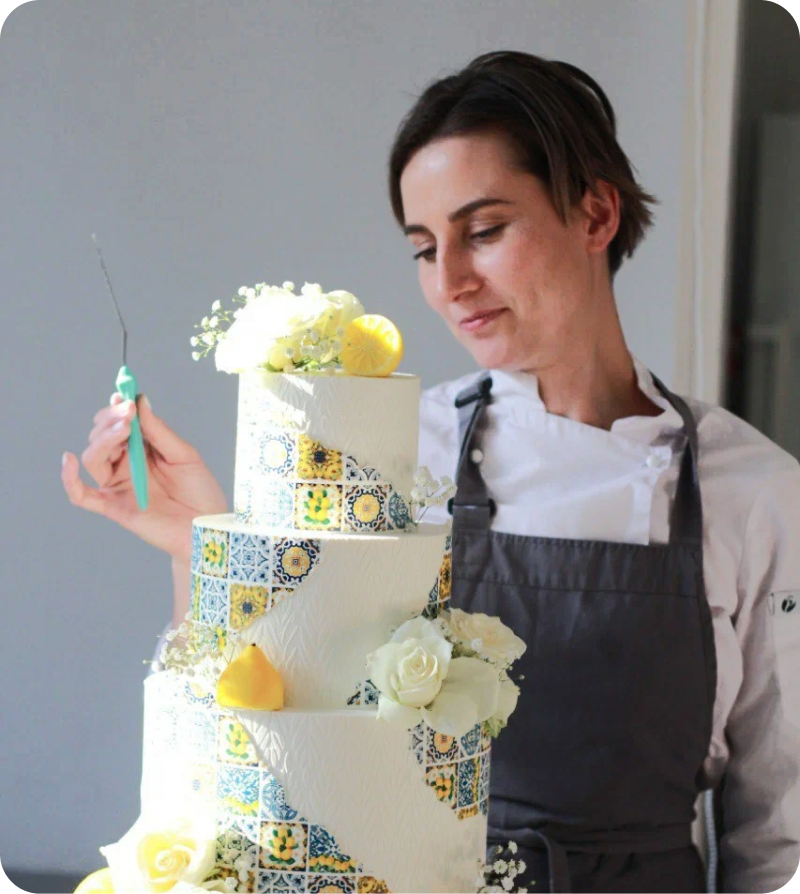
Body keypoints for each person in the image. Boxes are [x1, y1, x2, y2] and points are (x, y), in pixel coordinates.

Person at [62, 51, 800, 894]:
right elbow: (264, 714)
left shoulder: (752, 491)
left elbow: (779, 832)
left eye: (483, 232)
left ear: (596, 214)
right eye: (423, 248)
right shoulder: (385, 449)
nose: (449, 283)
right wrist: (200, 547)